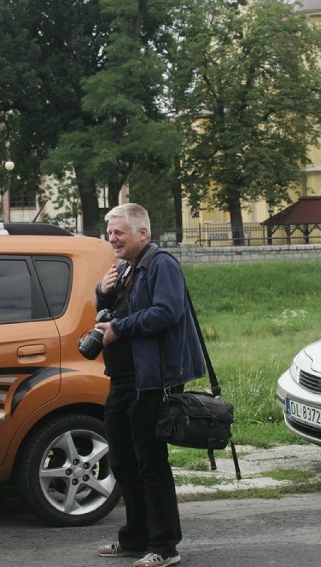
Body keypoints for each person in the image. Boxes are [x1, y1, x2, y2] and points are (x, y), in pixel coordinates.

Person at [94, 203, 205, 567]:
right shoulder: (123, 269)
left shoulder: (162, 265)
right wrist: (102, 292)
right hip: (122, 381)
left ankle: (165, 546)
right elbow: (114, 312)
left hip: (151, 383)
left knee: (150, 465)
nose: (112, 238)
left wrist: (119, 329)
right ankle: (134, 538)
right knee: (124, 462)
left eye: (118, 232)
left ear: (143, 233)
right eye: (110, 232)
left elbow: (166, 312)